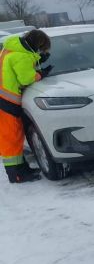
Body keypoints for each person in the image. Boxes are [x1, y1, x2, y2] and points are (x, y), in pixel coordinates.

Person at [0, 29, 51, 183]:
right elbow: (26, 78)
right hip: (7, 101)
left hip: (3, 98)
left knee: (12, 137)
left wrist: (36, 60)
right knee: (12, 139)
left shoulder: (11, 48)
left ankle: (21, 170)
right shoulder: (21, 56)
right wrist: (41, 74)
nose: (40, 51)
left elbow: (16, 67)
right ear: (37, 44)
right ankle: (17, 175)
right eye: (41, 48)